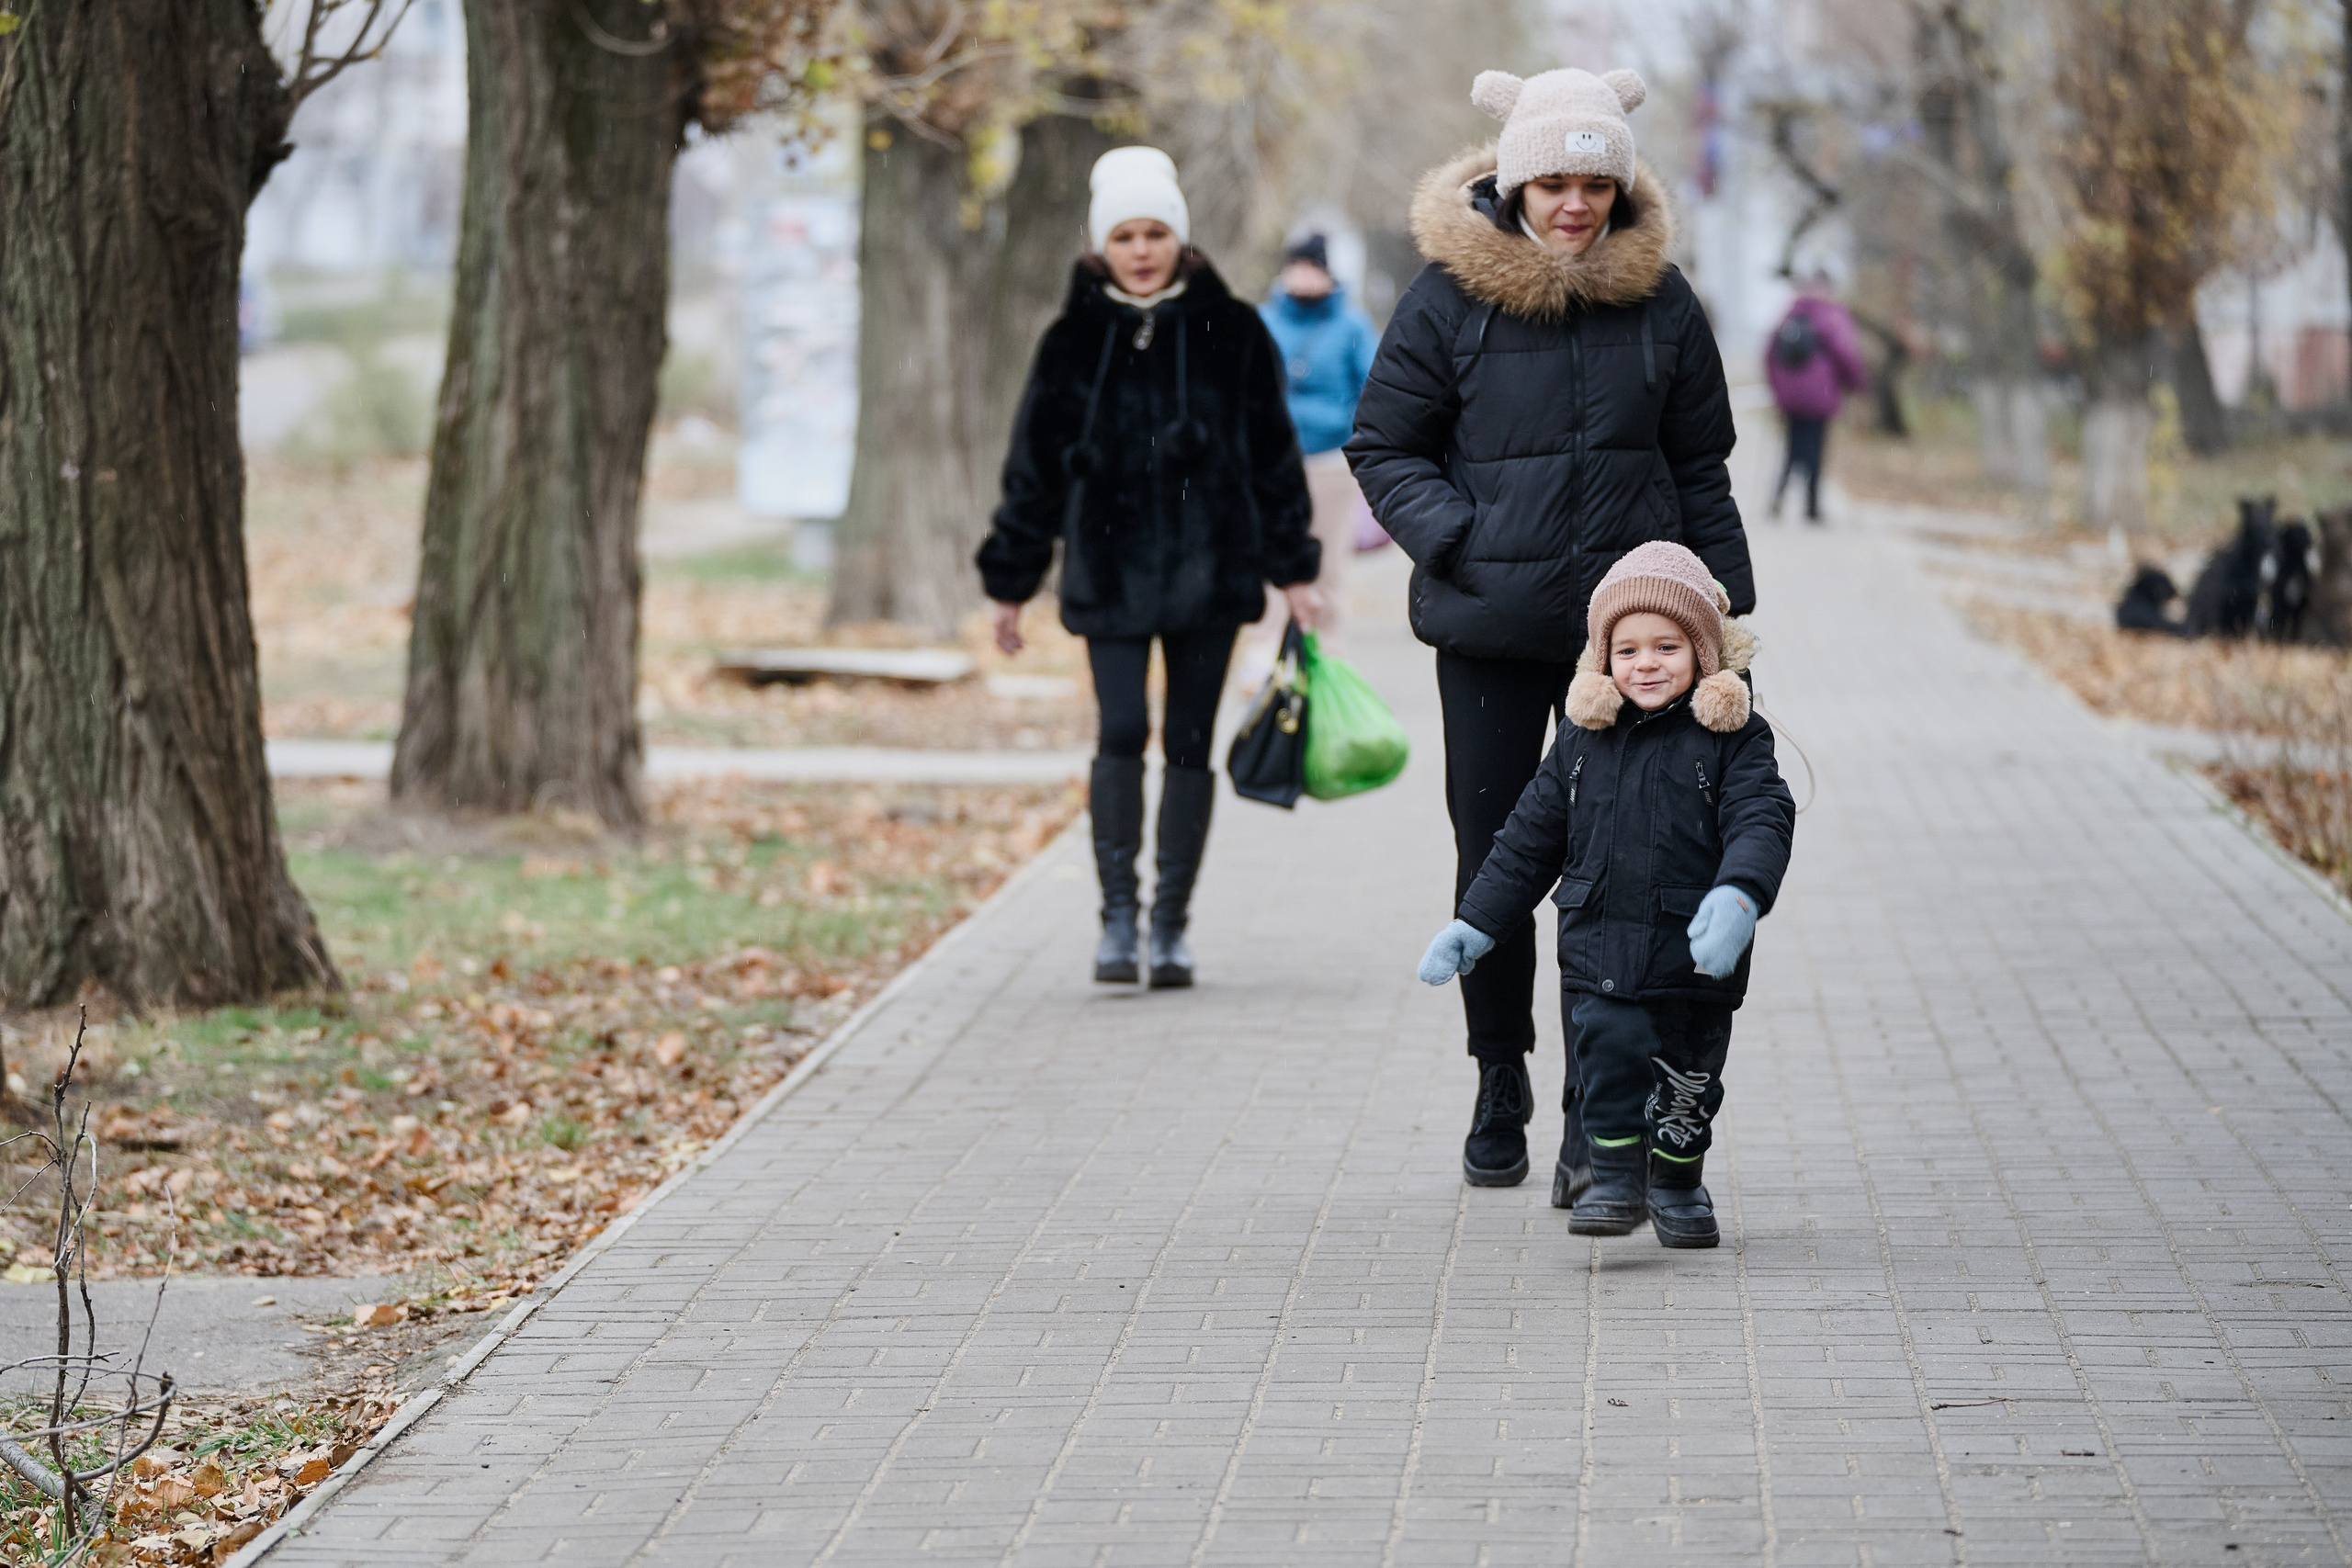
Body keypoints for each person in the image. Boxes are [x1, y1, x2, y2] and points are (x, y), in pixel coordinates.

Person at [1347, 66, 1754, 1193]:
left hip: (1629, 641)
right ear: (1514, 178)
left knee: (1621, 869)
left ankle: (1596, 1119)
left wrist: (1729, 611)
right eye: (1553, 181)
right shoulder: (1443, 300)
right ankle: (1497, 1076)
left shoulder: (1663, 304)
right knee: (1496, 858)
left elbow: (1696, 466)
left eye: (1593, 183)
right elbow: (1382, 447)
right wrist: (1460, 537)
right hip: (1488, 624)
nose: (1574, 204)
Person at [978, 146, 1321, 990]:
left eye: (1156, 232)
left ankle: (1170, 924)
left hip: (1213, 572)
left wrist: (1294, 570)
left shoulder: (1233, 330)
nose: (1141, 249)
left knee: (1191, 742)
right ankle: (1117, 918)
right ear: (1102, 244)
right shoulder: (1072, 340)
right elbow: (1034, 467)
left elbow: (1274, 455)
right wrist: (1011, 586)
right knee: (1122, 730)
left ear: (1179, 237)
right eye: (1125, 235)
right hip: (1110, 572)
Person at [1417, 542, 1794, 1246]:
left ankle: (1679, 1182)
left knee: (1687, 1086)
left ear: (1704, 653)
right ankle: (1615, 1180)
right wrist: (1476, 923)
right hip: (1600, 949)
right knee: (1608, 1064)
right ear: (1602, 658)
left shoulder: (1734, 739)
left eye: (1666, 646)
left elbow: (1762, 819)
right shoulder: (1582, 739)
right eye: (1626, 649)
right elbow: (1527, 840)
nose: (1645, 663)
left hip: (1693, 958)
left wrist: (1740, 894)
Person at [1259, 233, 1380, 645]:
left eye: (1312, 266)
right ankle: (1267, 658)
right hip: (1272, 462)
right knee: (1272, 561)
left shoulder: (1351, 325)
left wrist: (1349, 428)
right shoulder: (1265, 320)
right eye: (1298, 265)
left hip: (1330, 461)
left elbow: (1374, 388)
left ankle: (1323, 654)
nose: (1304, 275)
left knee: (1328, 565)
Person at [1764, 272, 1867, 524]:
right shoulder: (1831, 315)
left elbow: (1768, 355)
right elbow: (1846, 353)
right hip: (1819, 395)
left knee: (1791, 448)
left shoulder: (1788, 315)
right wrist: (1857, 384)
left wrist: (1778, 390)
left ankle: (1777, 498)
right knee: (1815, 449)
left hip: (1790, 398)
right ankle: (1811, 507)